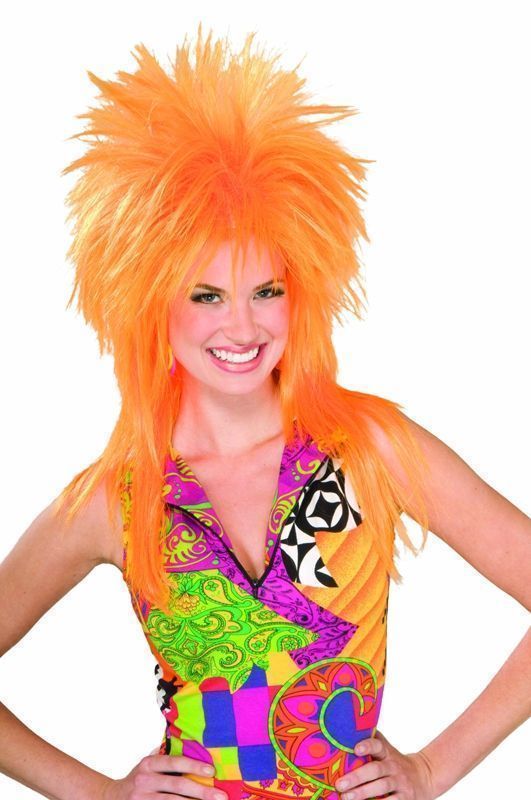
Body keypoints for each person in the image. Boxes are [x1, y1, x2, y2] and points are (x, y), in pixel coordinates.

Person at [1, 24, 529, 800]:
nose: (242, 327)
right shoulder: (116, 498)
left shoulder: (372, 450)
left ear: (300, 291)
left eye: (266, 291)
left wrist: (431, 768)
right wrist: (100, 794)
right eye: (206, 295)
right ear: (151, 303)